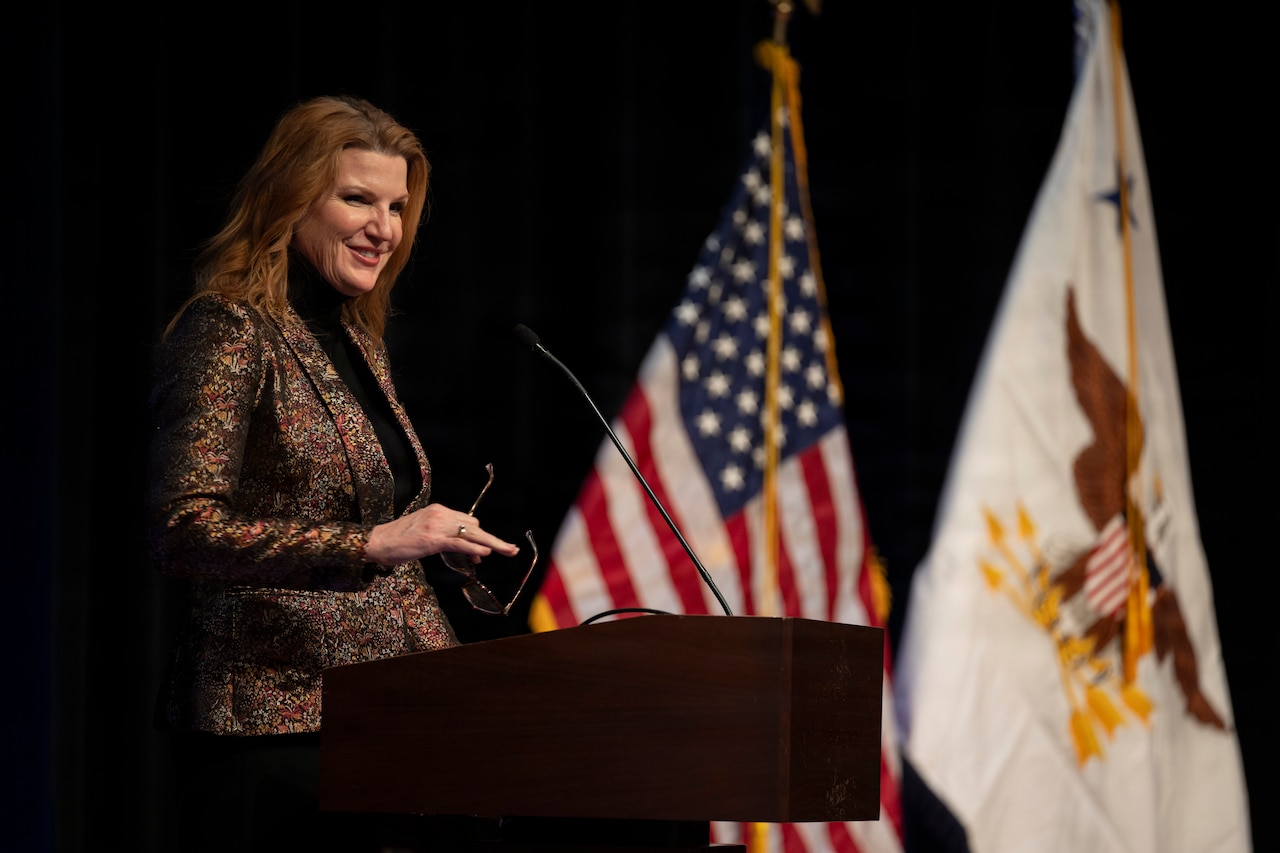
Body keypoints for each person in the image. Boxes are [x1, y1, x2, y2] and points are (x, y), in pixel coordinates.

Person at [148, 94, 519, 852]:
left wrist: (427, 539)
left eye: (396, 205)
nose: (384, 228)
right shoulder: (228, 328)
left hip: (391, 723)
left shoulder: (356, 337)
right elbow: (183, 530)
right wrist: (371, 544)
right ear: (291, 197)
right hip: (272, 733)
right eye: (358, 198)